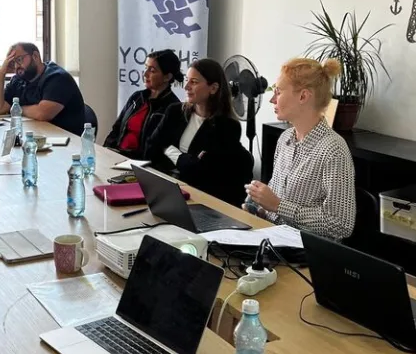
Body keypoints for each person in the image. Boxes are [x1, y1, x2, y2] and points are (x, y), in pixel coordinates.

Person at [244, 58, 355, 240]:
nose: (272, 99)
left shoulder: (334, 150)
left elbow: (340, 225)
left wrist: (279, 206)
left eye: (278, 92)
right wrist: (260, 209)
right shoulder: (285, 139)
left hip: (307, 254)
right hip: (275, 239)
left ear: (303, 96)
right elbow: (274, 203)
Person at [144, 58, 251, 204]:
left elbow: (200, 173)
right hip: (165, 188)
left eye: (193, 82)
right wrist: (181, 157)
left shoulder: (227, 127)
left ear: (213, 88)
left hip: (198, 198)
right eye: (187, 80)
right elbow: (150, 149)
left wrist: (167, 149)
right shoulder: (175, 112)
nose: (186, 86)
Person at [0, 41, 86, 135]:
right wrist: (1, 72)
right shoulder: (18, 80)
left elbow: (42, 113)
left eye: (19, 60)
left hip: (67, 141)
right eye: (13, 63)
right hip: (38, 136)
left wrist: (16, 110)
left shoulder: (57, 78)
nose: (17, 66)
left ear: (35, 56)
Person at [104, 50, 183, 159]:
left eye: (152, 70)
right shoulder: (136, 97)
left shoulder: (173, 108)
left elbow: (158, 149)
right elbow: (116, 129)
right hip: (117, 155)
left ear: (167, 77)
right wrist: (106, 151)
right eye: (146, 68)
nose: (145, 74)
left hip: (140, 165)